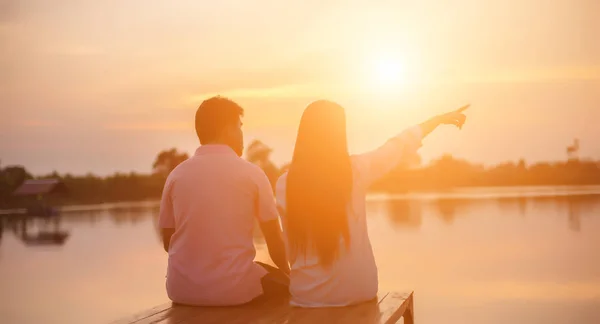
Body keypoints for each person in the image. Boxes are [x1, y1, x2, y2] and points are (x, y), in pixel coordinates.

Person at [275, 100, 468, 307]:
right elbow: (398, 145)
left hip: (307, 295)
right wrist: (436, 121)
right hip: (358, 291)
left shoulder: (285, 184)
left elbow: (290, 250)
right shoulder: (356, 170)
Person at [158, 96, 290, 306]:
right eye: (239, 127)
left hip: (180, 291)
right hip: (234, 291)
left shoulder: (176, 175)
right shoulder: (252, 174)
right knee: (283, 283)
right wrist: (289, 278)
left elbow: (167, 241)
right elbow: (275, 242)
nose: (241, 135)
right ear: (228, 129)